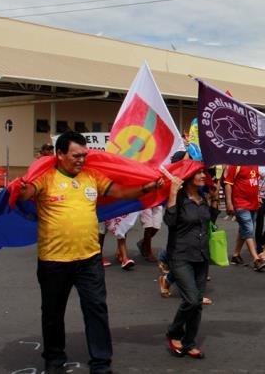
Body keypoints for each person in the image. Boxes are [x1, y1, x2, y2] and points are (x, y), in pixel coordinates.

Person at [14, 131, 163, 374]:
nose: (82, 159)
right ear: (60, 154)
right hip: (54, 261)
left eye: (84, 155)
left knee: (96, 310)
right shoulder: (46, 177)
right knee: (53, 314)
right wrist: (20, 189)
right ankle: (54, 360)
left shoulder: (91, 176)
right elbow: (27, 193)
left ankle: (101, 363)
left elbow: (120, 193)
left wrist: (146, 187)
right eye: (76, 155)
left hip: (89, 260)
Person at [164, 167, 220, 359]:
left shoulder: (203, 197)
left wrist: (214, 199)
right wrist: (172, 192)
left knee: (196, 304)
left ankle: (189, 342)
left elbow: (209, 221)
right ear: (188, 177)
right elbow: (169, 221)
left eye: (204, 173)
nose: (204, 176)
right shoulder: (179, 199)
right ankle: (173, 333)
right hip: (180, 255)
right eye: (199, 173)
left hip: (201, 255)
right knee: (192, 299)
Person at [224, 165, 265, 271]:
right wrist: (229, 203)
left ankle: (235, 255)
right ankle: (256, 259)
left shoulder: (255, 165)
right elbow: (228, 184)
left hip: (253, 204)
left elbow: (254, 183)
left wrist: (258, 197)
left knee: (244, 229)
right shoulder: (235, 165)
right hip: (240, 204)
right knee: (249, 229)